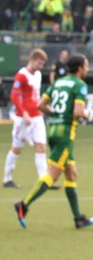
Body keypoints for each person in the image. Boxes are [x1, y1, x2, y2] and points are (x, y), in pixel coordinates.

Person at [13, 54, 93, 229]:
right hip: (65, 135)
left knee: (71, 173)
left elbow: (41, 105)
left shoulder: (57, 82)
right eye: (86, 65)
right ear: (80, 68)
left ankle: (78, 219)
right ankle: (23, 205)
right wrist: (88, 114)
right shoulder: (80, 85)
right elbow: (77, 112)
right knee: (52, 175)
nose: (87, 69)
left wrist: (57, 115)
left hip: (53, 131)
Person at [3, 50, 50, 189]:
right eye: (40, 63)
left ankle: (44, 180)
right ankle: (7, 179)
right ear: (33, 59)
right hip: (23, 118)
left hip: (36, 116)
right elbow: (14, 96)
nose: (41, 66)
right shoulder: (21, 75)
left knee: (41, 146)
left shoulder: (38, 75)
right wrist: (23, 112)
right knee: (17, 148)